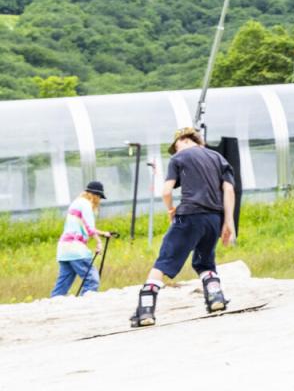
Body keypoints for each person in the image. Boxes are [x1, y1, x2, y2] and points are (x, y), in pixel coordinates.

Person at [129, 127, 237, 327]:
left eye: (175, 146)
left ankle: (145, 310)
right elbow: (229, 190)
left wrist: (171, 210)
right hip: (214, 218)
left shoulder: (179, 159)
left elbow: (166, 192)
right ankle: (216, 298)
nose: (175, 150)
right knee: (205, 262)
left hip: (188, 215)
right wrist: (228, 222)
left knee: (164, 261)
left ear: (184, 139)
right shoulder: (218, 158)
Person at [52, 181, 114, 297]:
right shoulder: (86, 204)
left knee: (62, 284)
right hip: (76, 249)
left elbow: (83, 226)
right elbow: (90, 228)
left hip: (63, 249)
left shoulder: (76, 203)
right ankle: (85, 304)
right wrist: (99, 242)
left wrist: (103, 233)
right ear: (95, 195)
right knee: (92, 280)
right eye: (99, 197)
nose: (99, 200)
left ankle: (53, 304)